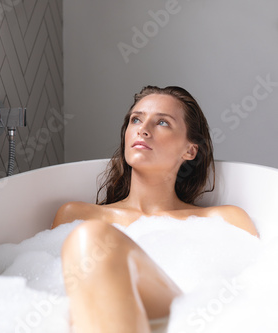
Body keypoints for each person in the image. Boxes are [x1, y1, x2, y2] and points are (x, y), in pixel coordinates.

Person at [51, 86, 259, 333]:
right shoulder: (75, 216)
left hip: (188, 318)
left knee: (93, 238)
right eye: (136, 119)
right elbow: (56, 297)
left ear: (190, 150)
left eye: (162, 122)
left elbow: (255, 298)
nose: (143, 129)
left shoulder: (225, 221)